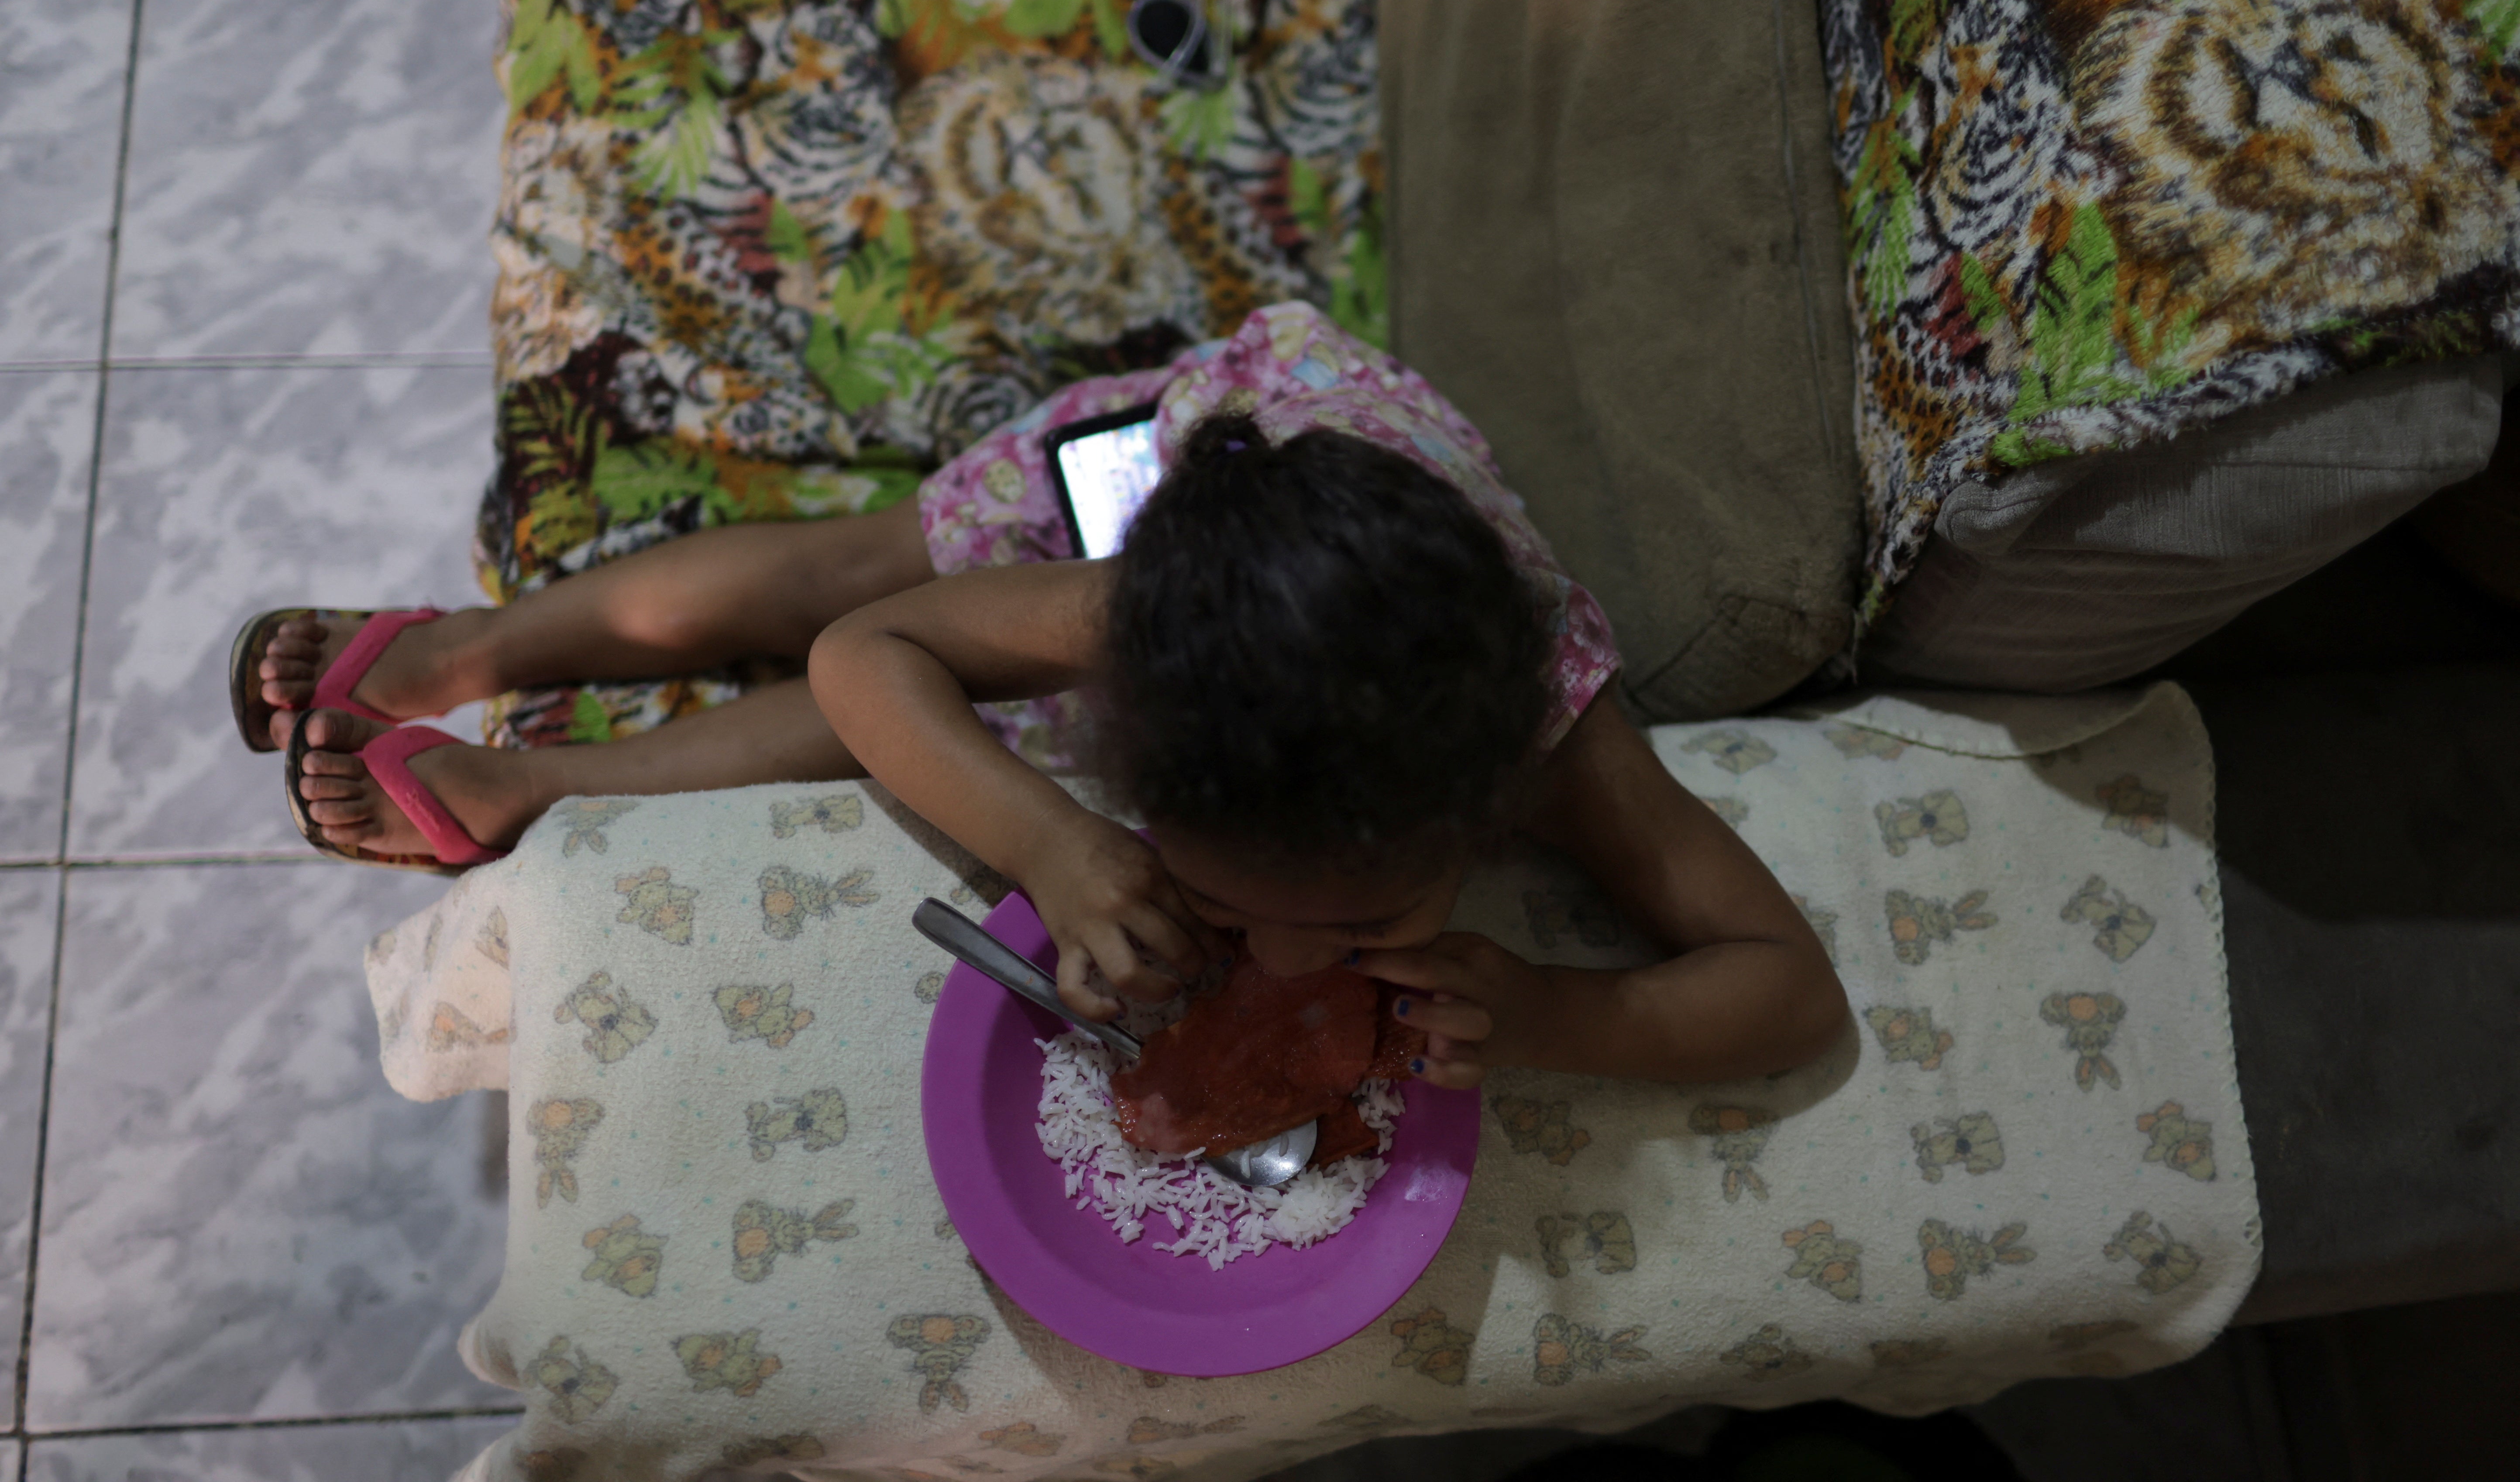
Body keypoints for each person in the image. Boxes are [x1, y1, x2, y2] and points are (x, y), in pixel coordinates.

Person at [241, 303, 1844, 1088]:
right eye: (1232, 897)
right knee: (851, 583)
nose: (1285, 961)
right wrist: (1055, 848)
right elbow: (864, 664)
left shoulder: (1541, 722)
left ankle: (545, 789)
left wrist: (1565, 1010)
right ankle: (478, 652)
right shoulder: (1129, 608)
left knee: (913, 691)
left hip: (1353, 541)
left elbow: (1785, 985)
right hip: (1184, 488)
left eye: (1359, 924)